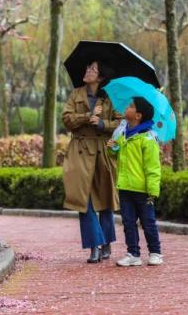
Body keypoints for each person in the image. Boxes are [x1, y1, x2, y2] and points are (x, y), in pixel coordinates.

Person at [62, 60, 121, 263]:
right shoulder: (76, 94)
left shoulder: (110, 97)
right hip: (79, 150)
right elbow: (67, 119)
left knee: (105, 199)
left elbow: (120, 123)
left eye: (93, 69)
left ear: (101, 77)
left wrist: (103, 124)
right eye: (87, 68)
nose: (87, 71)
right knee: (82, 200)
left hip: (103, 151)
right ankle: (94, 245)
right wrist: (88, 117)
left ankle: (106, 244)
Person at [107, 95, 163, 267]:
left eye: (131, 106)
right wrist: (113, 148)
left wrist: (152, 191)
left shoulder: (147, 138)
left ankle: (155, 252)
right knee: (128, 222)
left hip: (143, 190)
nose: (127, 108)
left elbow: (153, 168)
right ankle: (133, 253)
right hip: (125, 187)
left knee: (148, 222)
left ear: (138, 115)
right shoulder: (124, 135)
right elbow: (117, 156)